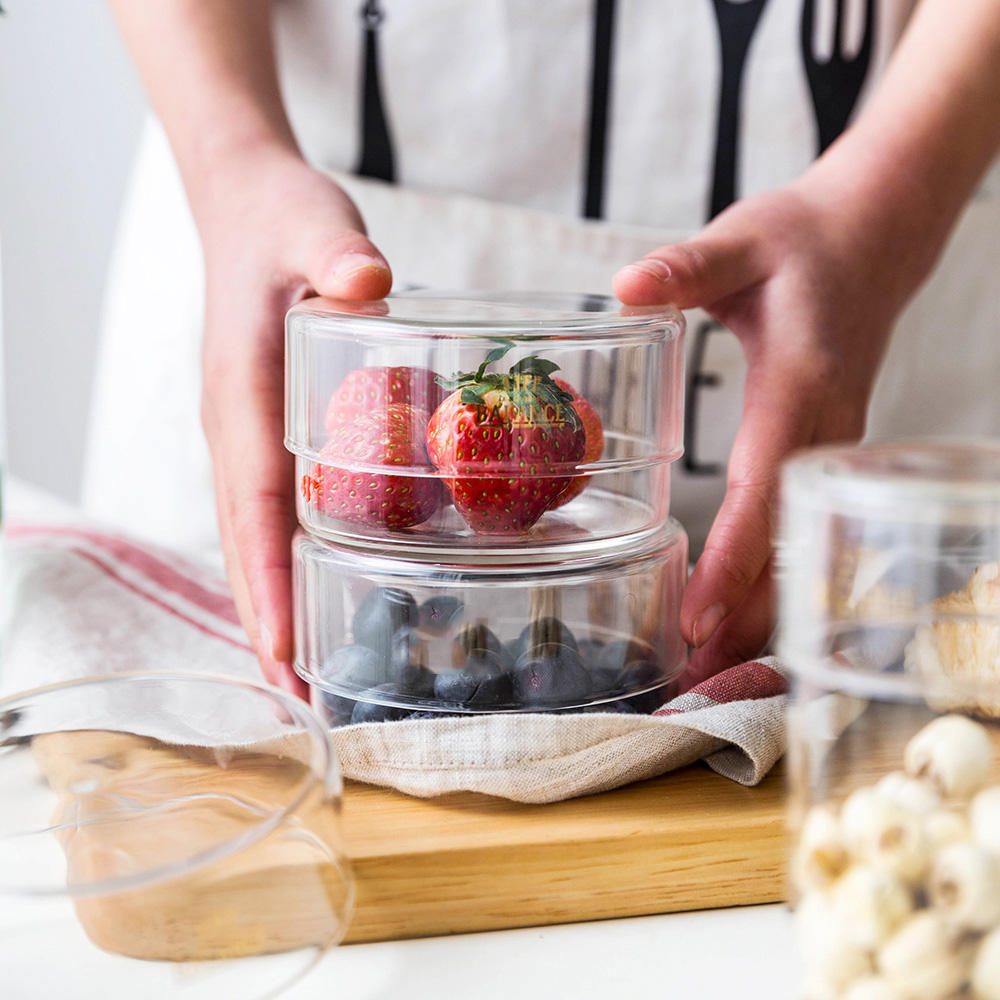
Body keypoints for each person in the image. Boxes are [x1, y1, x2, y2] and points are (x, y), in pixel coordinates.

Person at [87, 1, 1000, 696]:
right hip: (274, 198)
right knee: (291, 694)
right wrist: (231, 157)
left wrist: (890, 202)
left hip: (884, 191)